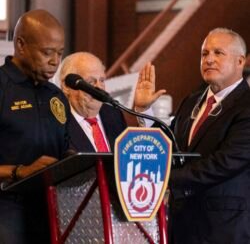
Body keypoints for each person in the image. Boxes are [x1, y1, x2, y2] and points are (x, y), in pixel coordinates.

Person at [140, 28, 250, 244]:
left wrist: (164, 179)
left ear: (240, 62)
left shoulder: (246, 105)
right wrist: (145, 111)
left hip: (224, 228)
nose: (209, 59)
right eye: (204, 54)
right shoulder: (192, 101)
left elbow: (224, 162)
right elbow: (167, 146)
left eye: (218, 53)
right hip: (182, 226)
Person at [0, 9, 70, 244]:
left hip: (52, 211)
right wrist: (20, 172)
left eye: (60, 53)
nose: (55, 61)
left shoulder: (57, 96)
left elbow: (65, 149)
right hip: (8, 211)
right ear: (20, 45)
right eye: (47, 52)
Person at [58, 51, 165, 152]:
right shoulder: (57, 125)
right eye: (90, 82)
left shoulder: (113, 114)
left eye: (102, 80)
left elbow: (137, 155)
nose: (99, 87)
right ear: (67, 86)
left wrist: (143, 110)